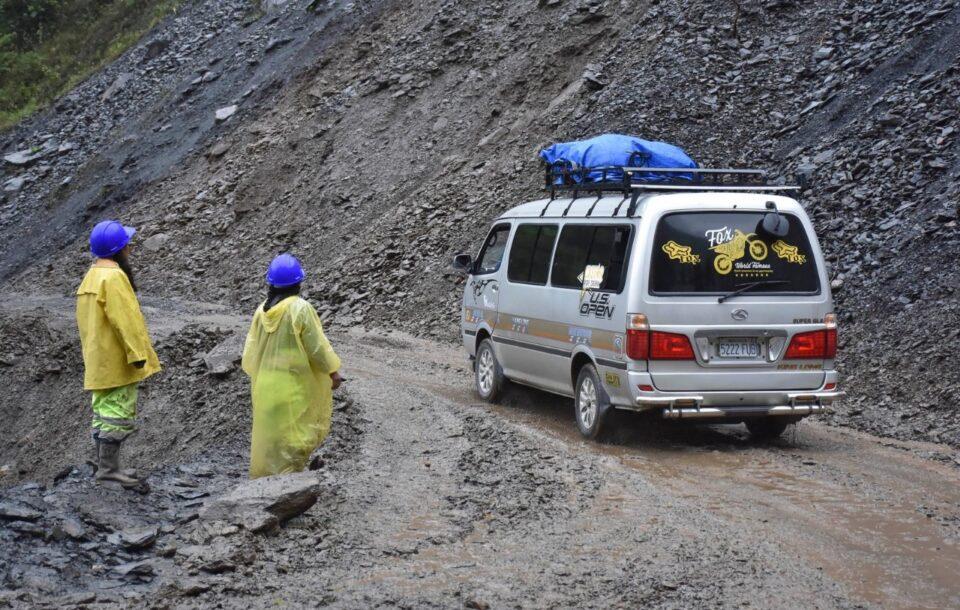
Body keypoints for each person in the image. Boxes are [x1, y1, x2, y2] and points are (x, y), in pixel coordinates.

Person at [76, 220, 161, 490]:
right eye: (127, 245)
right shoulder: (114, 278)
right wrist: (137, 354)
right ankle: (109, 471)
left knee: (102, 411)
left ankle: (105, 466)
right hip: (116, 360)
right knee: (118, 412)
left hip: (97, 359)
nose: (130, 249)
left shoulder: (92, 275)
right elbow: (125, 320)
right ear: (120, 249)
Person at [242, 254, 343, 479]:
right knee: (293, 440)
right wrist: (333, 372)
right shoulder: (300, 309)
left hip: (266, 386)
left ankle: (264, 483)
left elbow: (250, 351)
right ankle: (287, 487)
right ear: (299, 283)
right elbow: (316, 347)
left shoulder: (261, 311)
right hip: (292, 387)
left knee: (271, 441)